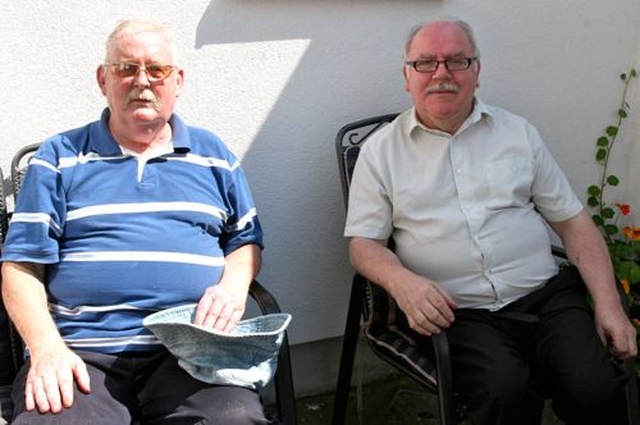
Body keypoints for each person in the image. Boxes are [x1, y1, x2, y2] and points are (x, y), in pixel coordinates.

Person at [344, 17, 637, 425]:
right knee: (505, 394)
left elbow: (574, 224)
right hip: (460, 314)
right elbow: (364, 245)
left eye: (457, 61)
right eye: (425, 63)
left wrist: (609, 307)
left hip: (546, 298)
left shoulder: (518, 133)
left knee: (597, 388)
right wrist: (403, 283)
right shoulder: (380, 153)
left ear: (476, 72)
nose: (441, 73)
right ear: (406, 76)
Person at [1, 20, 274, 424]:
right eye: (126, 68)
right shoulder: (58, 157)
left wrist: (234, 286)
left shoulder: (214, 155)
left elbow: (244, 240)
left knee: (232, 418)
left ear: (177, 80)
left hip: (190, 349)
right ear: (103, 79)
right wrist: (46, 349)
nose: (142, 81)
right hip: (81, 352)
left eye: (156, 69)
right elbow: (20, 266)